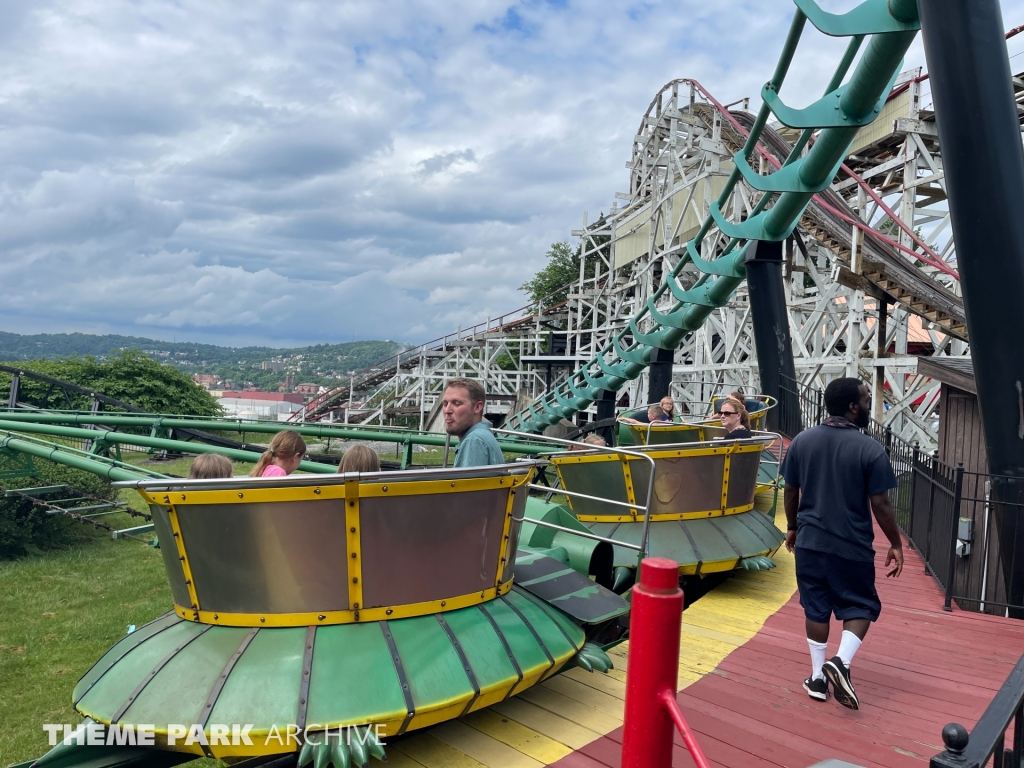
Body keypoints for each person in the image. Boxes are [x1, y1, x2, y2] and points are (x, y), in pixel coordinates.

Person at [780, 377, 902, 710]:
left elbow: (790, 491)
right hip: (851, 544)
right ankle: (841, 662)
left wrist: (792, 528)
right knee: (861, 605)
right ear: (852, 406)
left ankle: (818, 678)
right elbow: (881, 504)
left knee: (815, 605)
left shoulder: (801, 442)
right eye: (865, 399)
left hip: (810, 542)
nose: (868, 404)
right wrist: (895, 543)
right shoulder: (870, 449)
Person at [443, 377, 504, 468]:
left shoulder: (474, 440)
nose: (447, 410)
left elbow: (466, 482)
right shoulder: (483, 434)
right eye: (445, 404)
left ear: (477, 407)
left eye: (457, 403)